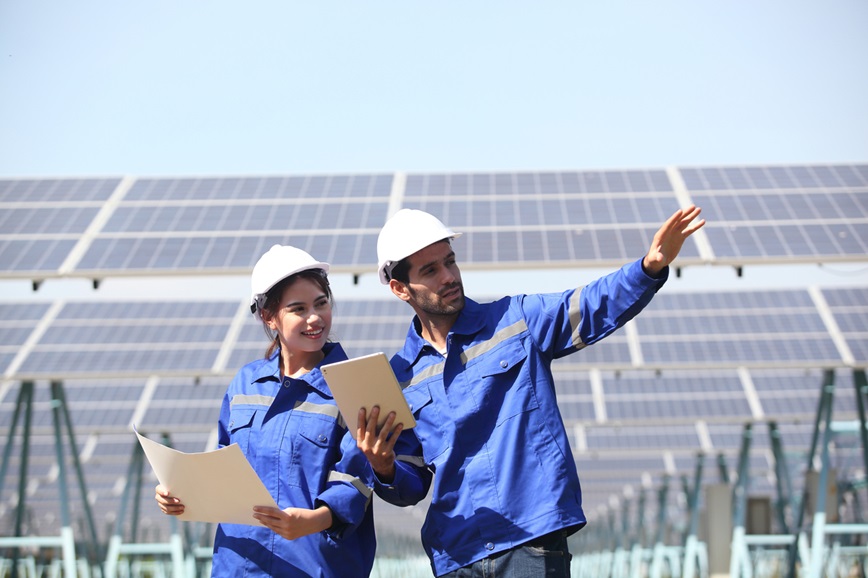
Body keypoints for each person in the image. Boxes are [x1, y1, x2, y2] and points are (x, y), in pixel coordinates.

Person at [356, 206, 706, 577]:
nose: (448, 276)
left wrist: (648, 268)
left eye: (450, 262)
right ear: (399, 288)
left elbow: (589, 304)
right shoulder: (398, 377)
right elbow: (409, 488)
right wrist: (384, 467)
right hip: (456, 556)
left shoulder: (517, 321)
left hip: (530, 542)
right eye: (430, 270)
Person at [155, 244, 378, 577]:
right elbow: (222, 469)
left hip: (313, 565)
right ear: (269, 316)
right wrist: (181, 494)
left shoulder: (353, 383)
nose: (315, 318)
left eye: (321, 303)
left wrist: (313, 521)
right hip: (239, 565)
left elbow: (357, 479)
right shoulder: (245, 384)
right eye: (298, 309)